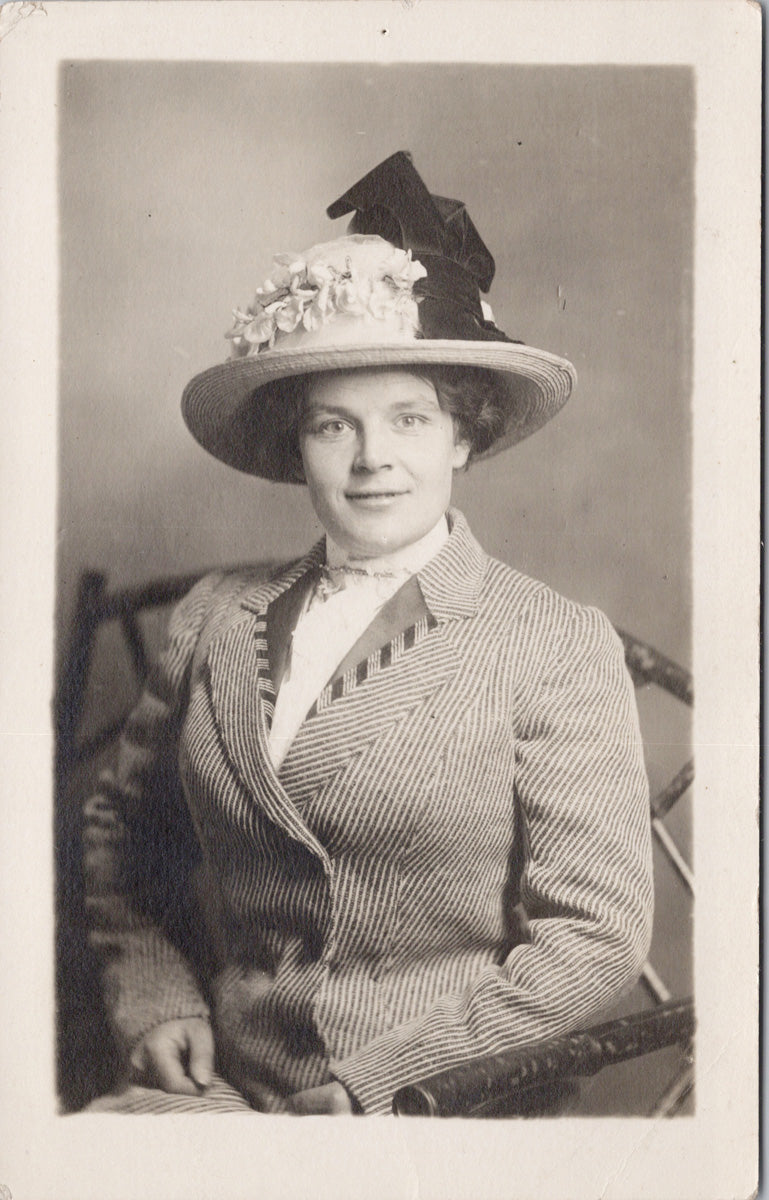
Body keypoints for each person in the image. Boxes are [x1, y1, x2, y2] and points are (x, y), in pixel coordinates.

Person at [82, 151, 653, 1115]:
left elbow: (595, 937)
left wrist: (384, 1083)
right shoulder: (215, 617)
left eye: (410, 419)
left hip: (444, 1103)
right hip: (227, 1088)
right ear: (293, 444)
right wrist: (155, 997)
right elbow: (120, 836)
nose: (372, 460)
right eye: (332, 427)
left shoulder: (550, 643)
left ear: (465, 437)